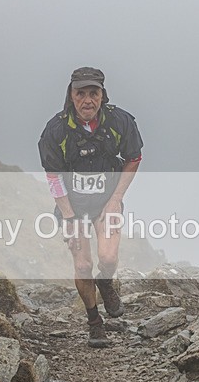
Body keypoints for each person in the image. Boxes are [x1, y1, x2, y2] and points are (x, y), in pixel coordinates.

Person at [38, 67, 144, 347]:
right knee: (83, 264)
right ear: (71, 96)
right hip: (72, 207)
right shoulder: (56, 129)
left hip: (106, 204)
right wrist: (70, 218)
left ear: (102, 95)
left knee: (107, 258)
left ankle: (106, 283)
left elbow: (134, 157)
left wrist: (115, 199)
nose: (87, 100)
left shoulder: (119, 121)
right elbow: (53, 176)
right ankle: (95, 323)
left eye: (93, 93)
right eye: (80, 93)